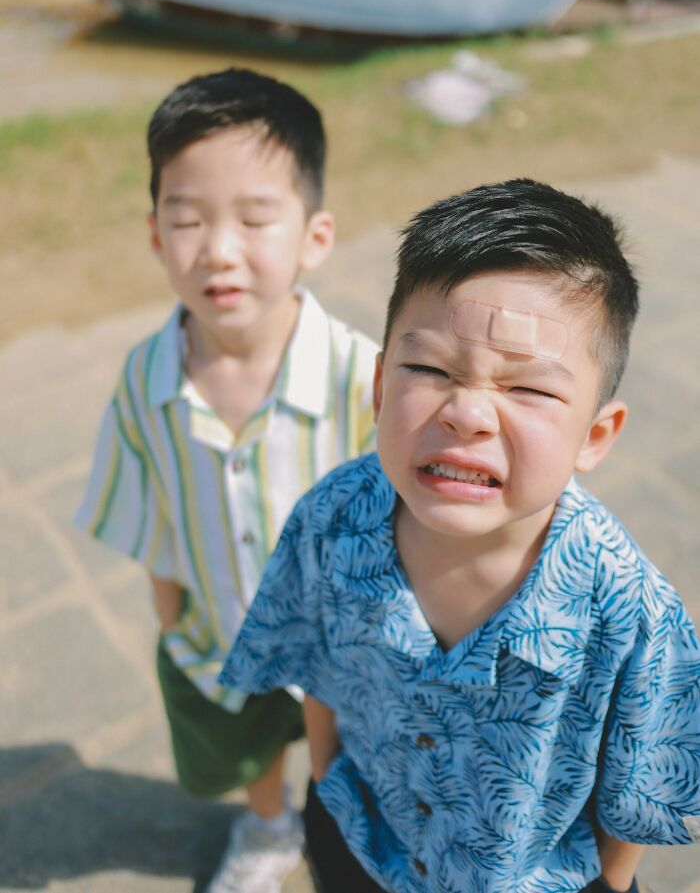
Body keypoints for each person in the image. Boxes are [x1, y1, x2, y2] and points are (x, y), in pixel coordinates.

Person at [220, 178, 700, 893]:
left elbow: (641, 787)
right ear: (381, 387)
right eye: (430, 368)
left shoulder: (632, 613)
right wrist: (324, 775)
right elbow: (314, 659)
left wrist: (609, 883)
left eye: (528, 389)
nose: (468, 412)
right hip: (362, 838)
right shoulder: (332, 517)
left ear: (595, 433)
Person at [75, 67, 378, 893]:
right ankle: (267, 822)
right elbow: (147, 498)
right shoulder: (147, 377)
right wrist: (169, 611)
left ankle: (343, 829)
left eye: (253, 218)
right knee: (247, 747)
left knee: (347, 759)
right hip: (220, 632)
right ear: (154, 235)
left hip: (337, 641)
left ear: (315, 235)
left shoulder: (363, 375)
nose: (218, 248)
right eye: (187, 219)